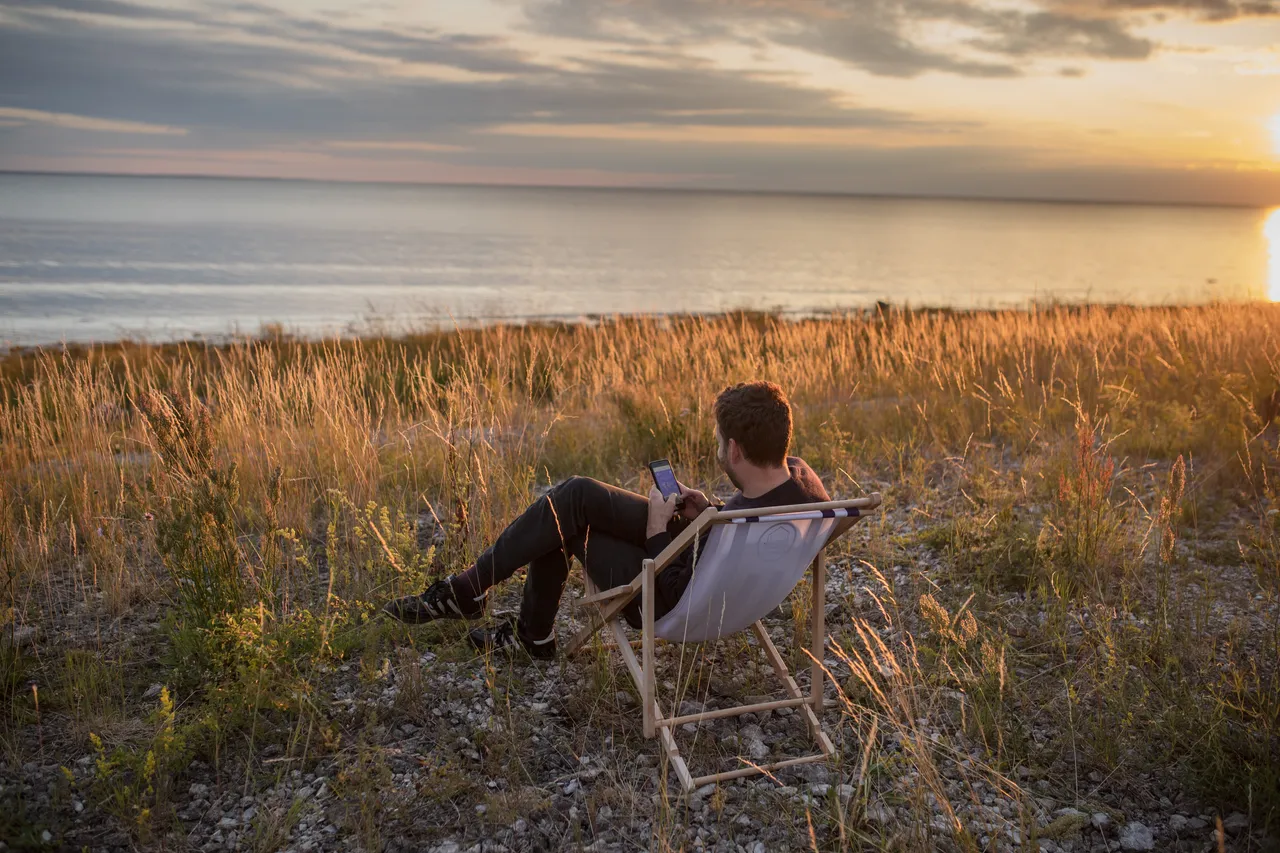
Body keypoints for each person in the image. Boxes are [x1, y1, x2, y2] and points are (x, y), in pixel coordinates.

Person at [381, 381, 829, 658]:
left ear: (733, 450)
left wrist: (658, 529)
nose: (718, 450)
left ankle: (513, 625)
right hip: (707, 557)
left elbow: (670, 594)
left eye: (718, 443)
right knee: (577, 494)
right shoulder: (803, 486)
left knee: (566, 521)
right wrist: (708, 510)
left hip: (672, 599)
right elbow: (734, 534)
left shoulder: (738, 526)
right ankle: (483, 602)